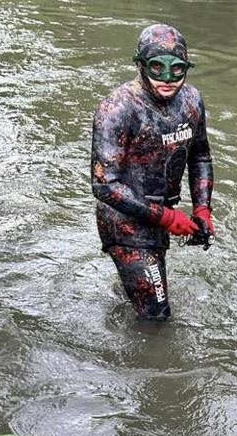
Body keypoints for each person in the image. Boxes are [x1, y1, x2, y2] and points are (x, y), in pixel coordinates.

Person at [91, 23, 215, 322]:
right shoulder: (117, 109)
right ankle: (140, 366)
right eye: (157, 68)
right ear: (140, 65)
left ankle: (124, 297)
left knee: (143, 290)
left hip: (160, 215)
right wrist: (169, 218)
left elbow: (200, 155)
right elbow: (104, 184)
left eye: (178, 70)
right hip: (125, 224)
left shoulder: (191, 101)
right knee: (157, 315)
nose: (168, 79)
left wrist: (202, 208)